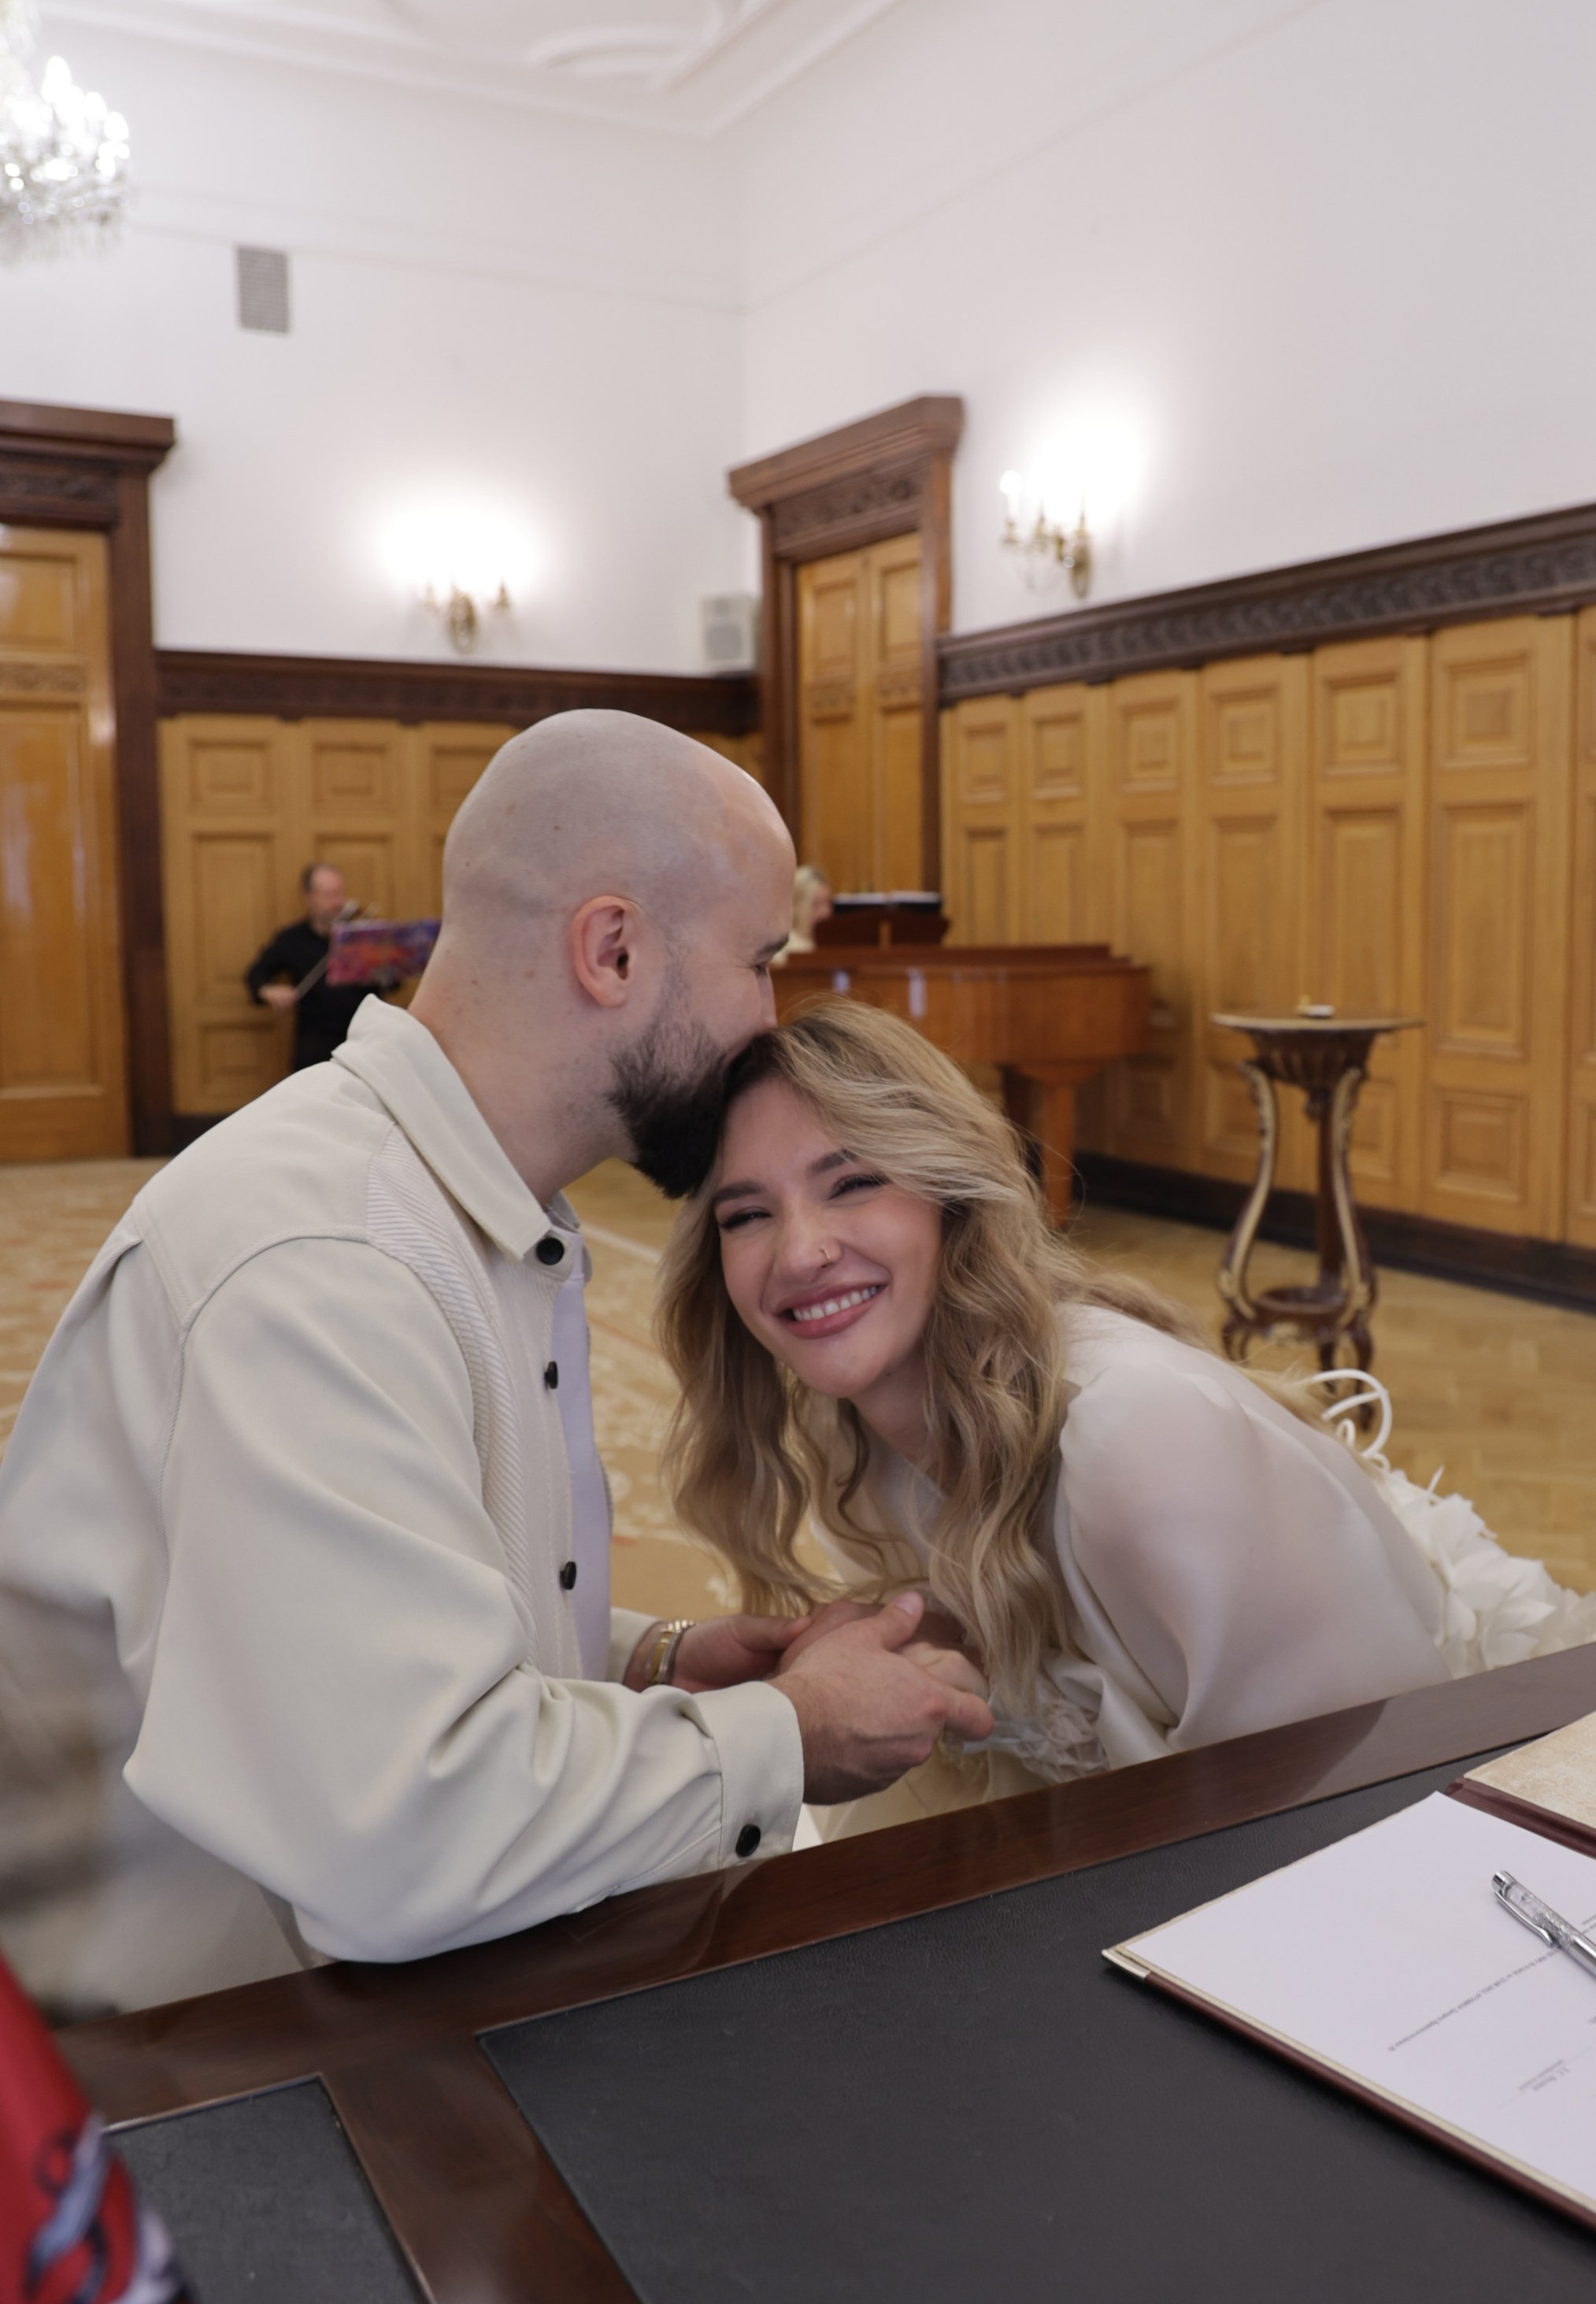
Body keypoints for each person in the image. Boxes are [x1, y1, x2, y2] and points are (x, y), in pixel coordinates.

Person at [0, 714, 990, 2018]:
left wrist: (651, 1662)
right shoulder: (329, 1259)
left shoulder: (453, 1201)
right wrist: (791, 1736)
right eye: (760, 961)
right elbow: (400, 1842)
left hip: (330, 1989)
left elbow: (382, 1607)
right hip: (193, 2061)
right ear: (614, 949)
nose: (768, 1019)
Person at [658, 1000, 1596, 1838]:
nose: (802, 1250)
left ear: (947, 1195)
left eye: (851, 1182)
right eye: (747, 1215)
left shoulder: (1137, 1440)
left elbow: (1349, 1804)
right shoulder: (848, 1440)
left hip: (1440, 1820)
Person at [244, 862, 380, 1075]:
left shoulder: (361, 936)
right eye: (328, 895)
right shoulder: (292, 939)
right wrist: (268, 990)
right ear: (309, 898)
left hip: (366, 1037)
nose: (338, 902)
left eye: (339, 894)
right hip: (316, 1043)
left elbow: (393, 982)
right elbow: (256, 974)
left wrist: (382, 965)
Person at [776, 861, 834, 959]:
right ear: (796, 906)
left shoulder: (833, 945)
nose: (825, 912)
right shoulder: (782, 952)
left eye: (827, 902)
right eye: (816, 904)